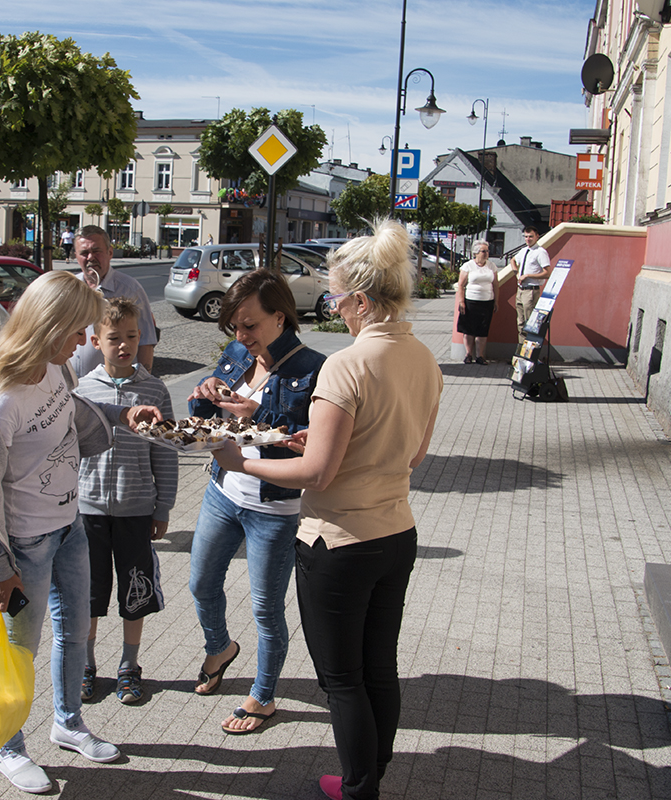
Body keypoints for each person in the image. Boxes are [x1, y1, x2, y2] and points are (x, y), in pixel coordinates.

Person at [214, 219, 442, 800]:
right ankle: (373, 773)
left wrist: (241, 462)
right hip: (395, 533)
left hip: (337, 542)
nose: (333, 307)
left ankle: (359, 787)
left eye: (338, 296)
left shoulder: (345, 364)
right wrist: (309, 446)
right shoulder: (424, 359)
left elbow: (317, 473)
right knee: (379, 669)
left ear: (362, 300)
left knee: (342, 681)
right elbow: (410, 455)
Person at [0, 271, 163, 795]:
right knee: (17, 650)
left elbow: (76, 413)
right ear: (51, 326)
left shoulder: (54, 369)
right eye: (76, 332)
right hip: (25, 547)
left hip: (70, 528)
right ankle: (8, 748)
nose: (81, 344)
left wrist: (123, 412)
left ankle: (68, 724)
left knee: (74, 632)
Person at [185, 269, 327, 734]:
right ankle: (221, 647)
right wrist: (202, 396)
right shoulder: (235, 354)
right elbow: (206, 417)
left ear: (280, 318)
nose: (240, 335)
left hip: (275, 508)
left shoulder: (314, 369)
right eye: (235, 327)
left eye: (249, 325)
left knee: (266, 609)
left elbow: (314, 443)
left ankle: (263, 696)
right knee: (202, 584)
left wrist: (259, 414)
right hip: (223, 491)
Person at [76, 297, 178, 706]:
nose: (124, 345)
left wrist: (163, 506)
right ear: (95, 341)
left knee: (134, 590)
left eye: (132, 337)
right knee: (89, 592)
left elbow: (165, 451)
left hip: (137, 508)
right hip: (88, 510)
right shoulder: (82, 390)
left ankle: (129, 665)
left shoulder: (154, 389)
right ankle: (85, 664)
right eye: (114, 338)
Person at [69, 225, 158, 377]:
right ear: (76, 256)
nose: (90, 257)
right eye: (84, 253)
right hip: (72, 387)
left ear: (109, 252)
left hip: (114, 388)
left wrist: (143, 380)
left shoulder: (130, 289)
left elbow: (146, 340)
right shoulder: (70, 288)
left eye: (96, 251)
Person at [456, 240, 498, 364]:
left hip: (487, 301)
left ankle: (480, 356)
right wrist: (461, 301)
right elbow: (461, 285)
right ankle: (469, 354)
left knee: (483, 329)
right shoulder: (468, 266)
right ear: (475, 253)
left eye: (487, 251)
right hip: (471, 302)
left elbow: (496, 284)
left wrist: (496, 301)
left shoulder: (491, 266)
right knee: (469, 329)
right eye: (483, 251)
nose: (486, 253)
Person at [509, 226, 551, 343]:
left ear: (537, 237)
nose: (528, 239)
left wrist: (528, 275)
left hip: (531, 290)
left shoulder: (540, 252)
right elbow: (513, 260)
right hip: (521, 290)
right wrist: (517, 273)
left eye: (531, 236)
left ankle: (530, 354)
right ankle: (521, 352)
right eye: (526, 237)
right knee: (521, 323)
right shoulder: (524, 251)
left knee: (530, 323)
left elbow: (547, 273)